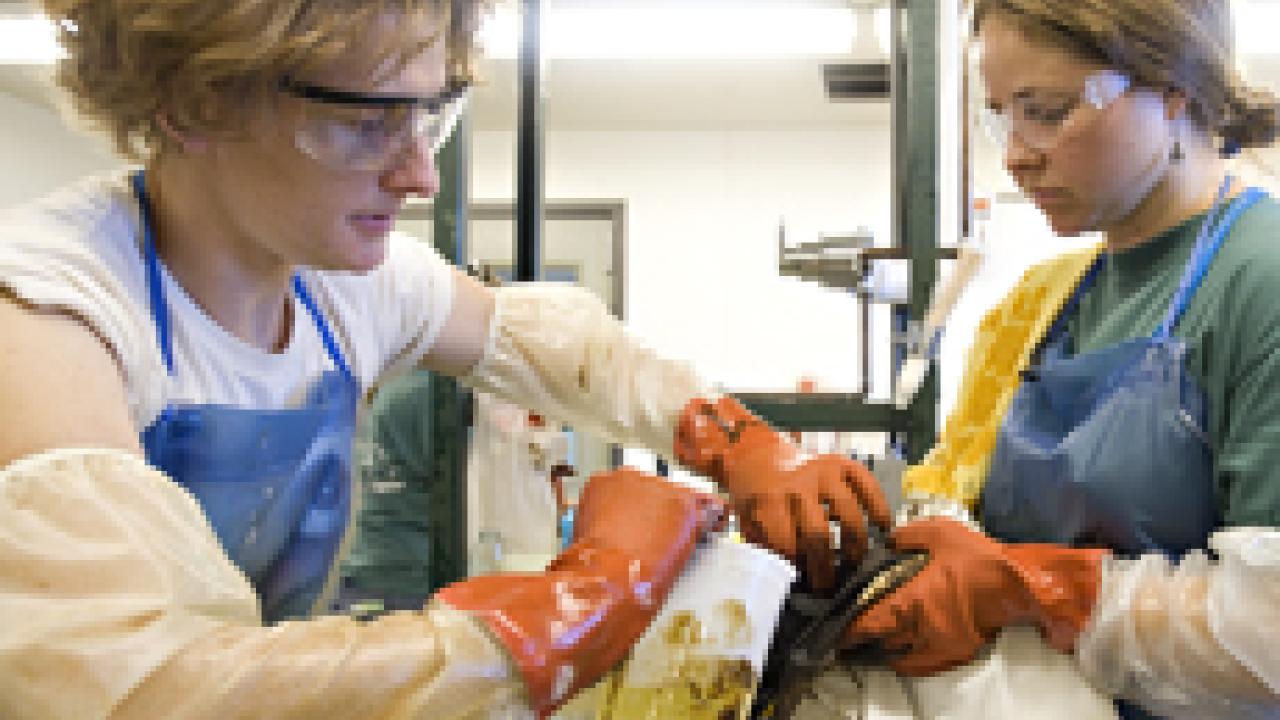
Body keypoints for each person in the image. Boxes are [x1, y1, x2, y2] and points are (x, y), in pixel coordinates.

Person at [0, 0, 892, 717]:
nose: (419, 173)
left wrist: (733, 440)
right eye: (363, 124)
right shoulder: (48, 318)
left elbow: (556, 345)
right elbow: (134, 686)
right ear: (194, 102)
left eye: (431, 114)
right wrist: (567, 608)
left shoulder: (342, 284)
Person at [843, 1, 1280, 718]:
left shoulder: (1259, 279)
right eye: (1001, 116)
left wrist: (1039, 588)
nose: (1016, 154)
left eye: (1045, 111)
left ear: (1175, 90)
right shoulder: (1046, 301)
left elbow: (1269, 633)